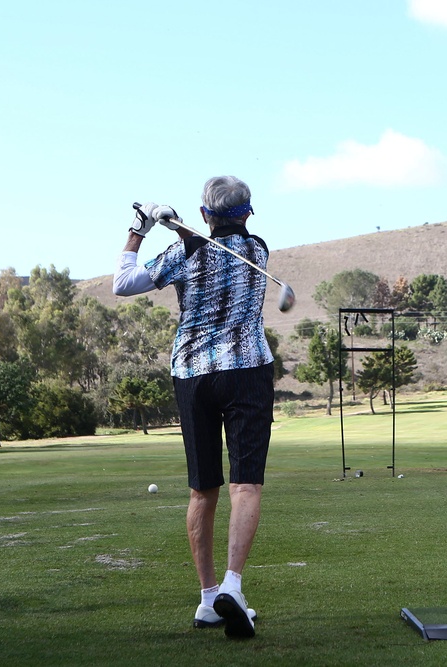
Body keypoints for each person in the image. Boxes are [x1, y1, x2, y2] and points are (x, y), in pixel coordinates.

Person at [113, 176, 274, 638]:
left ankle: (208, 599)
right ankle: (233, 588)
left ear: (205, 214)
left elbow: (124, 283)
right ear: (247, 213)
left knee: (202, 490)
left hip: (193, 375)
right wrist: (181, 226)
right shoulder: (258, 251)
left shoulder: (184, 252)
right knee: (246, 486)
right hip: (246, 370)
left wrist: (141, 227)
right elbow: (222, 238)